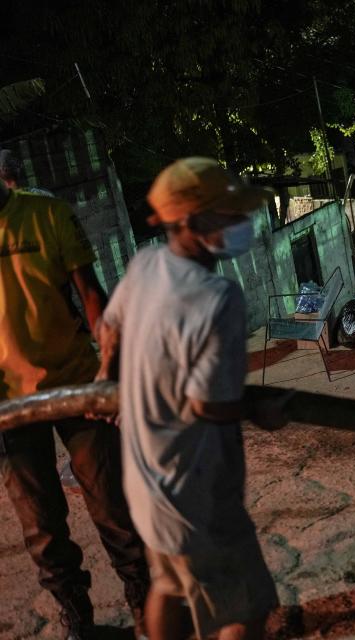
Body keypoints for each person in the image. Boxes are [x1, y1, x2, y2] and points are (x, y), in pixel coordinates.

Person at [96, 157, 290, 640]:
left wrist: (107, 378)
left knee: (169, 584)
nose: (239, 225)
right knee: (241, 609)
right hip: (195, 494)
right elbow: (211, 407)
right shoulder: (218, 297)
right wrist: (258, 408)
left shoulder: (144, 266)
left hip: (145, 483)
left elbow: (109, 327)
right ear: (188, 221)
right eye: (226, 215)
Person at [0, 178, 150, 638]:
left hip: (78, 385)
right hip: (11, 407)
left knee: (113, 509)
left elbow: (90, 295)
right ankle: (79, 623)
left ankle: (148, 610)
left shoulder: (46, 214)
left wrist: (112, 370)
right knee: (41, 530)